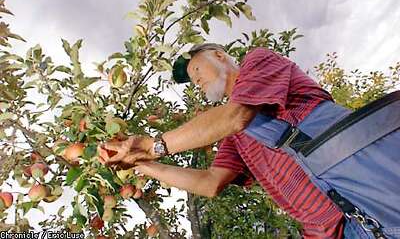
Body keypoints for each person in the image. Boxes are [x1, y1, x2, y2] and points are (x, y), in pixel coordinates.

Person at [97, 44, 396, 238]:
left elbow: (236, 115)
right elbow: (210, 183)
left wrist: (152, 145)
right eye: (193, 79)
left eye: (196, 70)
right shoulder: (237, 138)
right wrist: (143, 164)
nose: (196, 81)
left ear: (219, 55)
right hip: (339, 231)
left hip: (372, 190)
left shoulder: (259, 61)